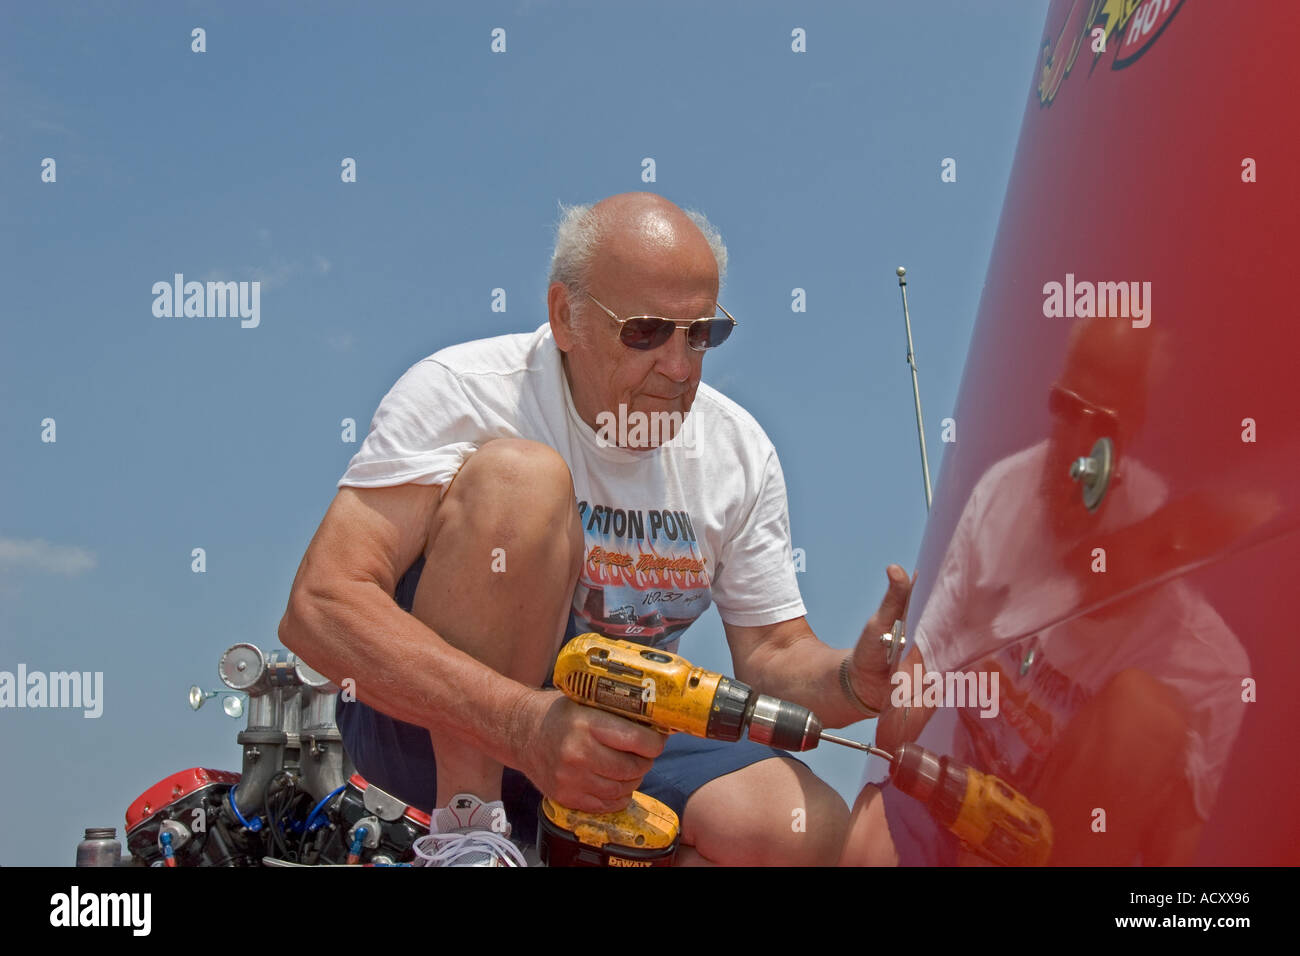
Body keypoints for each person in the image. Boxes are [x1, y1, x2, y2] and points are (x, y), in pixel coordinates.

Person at [278, 192, 912, 865]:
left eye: (701, 333)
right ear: (564, 317)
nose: (680, 365)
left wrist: (851, 684)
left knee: (802, 831)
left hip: (610, 745)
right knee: (523, 481)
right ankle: (469, 836)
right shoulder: (465, 391)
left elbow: (775, 654)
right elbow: (319, 607)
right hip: (427, 736)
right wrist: (525, 728)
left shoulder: (737, 450)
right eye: (646, 332)